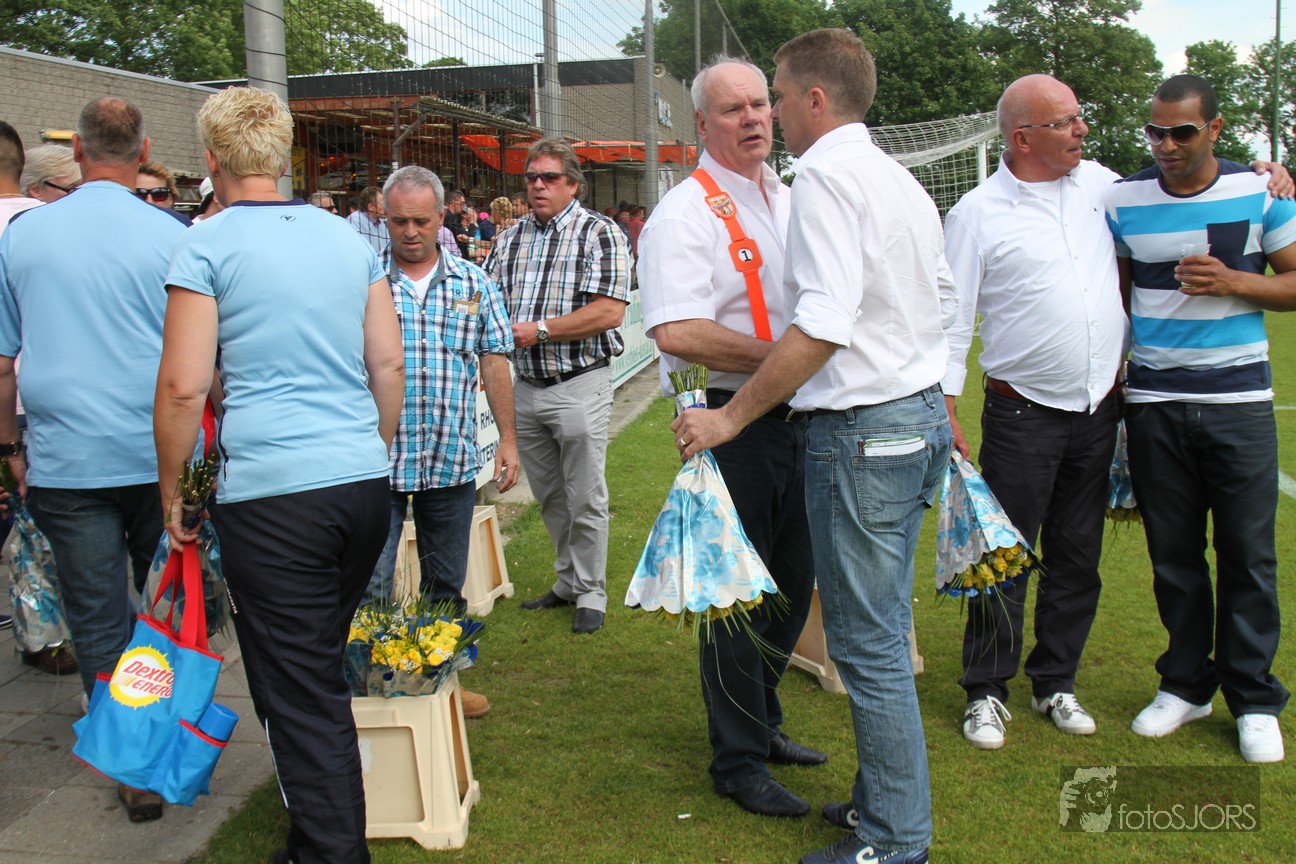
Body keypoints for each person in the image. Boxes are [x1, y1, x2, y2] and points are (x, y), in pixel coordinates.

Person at [674, 29, 954, 864]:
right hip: (912, 418)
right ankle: (881, 803)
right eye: (744, 104)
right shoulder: (894, 175)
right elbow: (940, 297)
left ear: (815, 100)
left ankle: (894, 839)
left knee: (868, 646)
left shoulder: (825, 176)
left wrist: (731, 416)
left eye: (778, 96)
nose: (772, 114)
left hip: (863, 430)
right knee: (879, 629)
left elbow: (824, 321)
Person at [154, 85, 404, 863]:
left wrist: (174, 492)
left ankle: (331, 849)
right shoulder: (347, 239)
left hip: (274, 493)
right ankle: (316, 824)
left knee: (301, 684)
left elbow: (184, 387)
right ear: (283, 153)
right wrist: (370, 451)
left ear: (213, 159)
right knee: (307, 666)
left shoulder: (206, 243)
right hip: (357, 481)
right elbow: (387, 364)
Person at [638, 56, 821, 819]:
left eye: (759, 103)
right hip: (731, 419)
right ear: (702, 124)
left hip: (801, 418)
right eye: (731, 108)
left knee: (791, 588)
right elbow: (676, 329)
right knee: (738, 598)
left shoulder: (788, 195)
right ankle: (738, 762)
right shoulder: (684, 213)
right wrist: (787, 357)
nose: (751, 118)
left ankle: (764, 721)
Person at [0, 96, 190, 822]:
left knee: (97, 612)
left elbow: (3, 363)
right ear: (143, 152)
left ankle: (132, 760)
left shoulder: (25, 236)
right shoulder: (173, 234)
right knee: (164, 604)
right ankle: (157, 733)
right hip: (157, 454)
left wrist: (10, 448)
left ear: (77, 151)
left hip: (67, 456)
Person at [1106, 74, 1296, 764]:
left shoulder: (1260, 191)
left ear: (1214, 129)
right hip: (1154, 403)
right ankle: (1185, 686)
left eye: (1181, 131)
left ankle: (1254, 699)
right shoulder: (1121, 200)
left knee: (1249, 555)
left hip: (1238, 403)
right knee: (1174, 556)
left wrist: (1236, 281)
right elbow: (1117, 295)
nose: (1165, 144)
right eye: (1154, 131)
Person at [941, 74, 1124, 748]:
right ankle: (986, 690)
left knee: (1078, 556)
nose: (1081, 130)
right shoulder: (977, 213)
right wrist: (947, 406)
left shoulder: (1102, 186)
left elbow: (1176, 189)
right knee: (1005, 556)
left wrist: (1263, 173)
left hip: (1098, 410)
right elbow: (952, 318)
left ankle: (1056, 682)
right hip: (1022, 416)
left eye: (1079, 117)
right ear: (1022, 138)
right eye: (1065, 121)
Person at [362, 165, 519, 720]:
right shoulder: (364, 282)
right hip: (377, 461)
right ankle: (374, 689)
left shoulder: (473, 283)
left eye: (421, 221)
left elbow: (494, 360)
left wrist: (508, 439)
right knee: (372, 584)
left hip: (449, 457)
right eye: (399, 221)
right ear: (384, 218)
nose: (410, 232)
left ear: (440, 218)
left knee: (446, 584)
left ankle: (441, 684)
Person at [485, 138, 631, 635]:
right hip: (525, 385)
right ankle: (569, 580)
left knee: (584, 495)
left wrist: (541, 330)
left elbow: (609, 311)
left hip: (579, 381)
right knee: (549, 495)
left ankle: (591, 592)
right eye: (531, 177)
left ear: (573, 184)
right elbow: (488, 303)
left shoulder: (600, 233)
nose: (538, 186)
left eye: (549, 177)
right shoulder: (509, 239)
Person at [347, 185, 389, 252]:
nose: (387, 207)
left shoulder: (382, 223)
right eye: (383, 204)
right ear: (370, 207)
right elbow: (359, 249)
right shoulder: (355, 219)